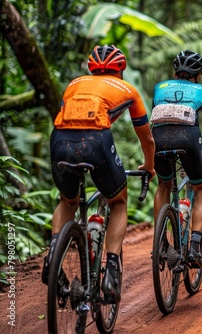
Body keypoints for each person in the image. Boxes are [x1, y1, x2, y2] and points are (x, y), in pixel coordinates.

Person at [46, 45, 156, 303]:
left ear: (91, 68)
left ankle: (53, 254)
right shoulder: (127, 90)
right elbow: (146, 137)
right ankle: (112, 271)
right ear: (121, 70)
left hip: (59, 141)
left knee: (67, 201)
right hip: (95, 142)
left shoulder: (74, 84)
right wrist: (149, 166)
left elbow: (73, 117)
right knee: (118, 202)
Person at [151, 50, 202, 268]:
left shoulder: (160, 87)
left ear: (175, 72)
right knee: (201, 188)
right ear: (198, 75)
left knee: (164, 184)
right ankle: (194, 246)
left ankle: (161, 242)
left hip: (158, 138)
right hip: (189, 139)